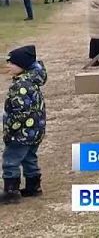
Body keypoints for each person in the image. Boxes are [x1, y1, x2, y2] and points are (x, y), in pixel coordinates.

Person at [1, 46, 46, 204]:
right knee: (29, 157)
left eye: (12, 63)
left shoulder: (21, 86)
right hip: (34, 131)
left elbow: (21, 113)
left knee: (10, 160)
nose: (8, 66)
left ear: (22, 66)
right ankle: (34, 186)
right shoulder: (31, 81)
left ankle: (11, 191)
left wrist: (9, 128)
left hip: (21, 133)